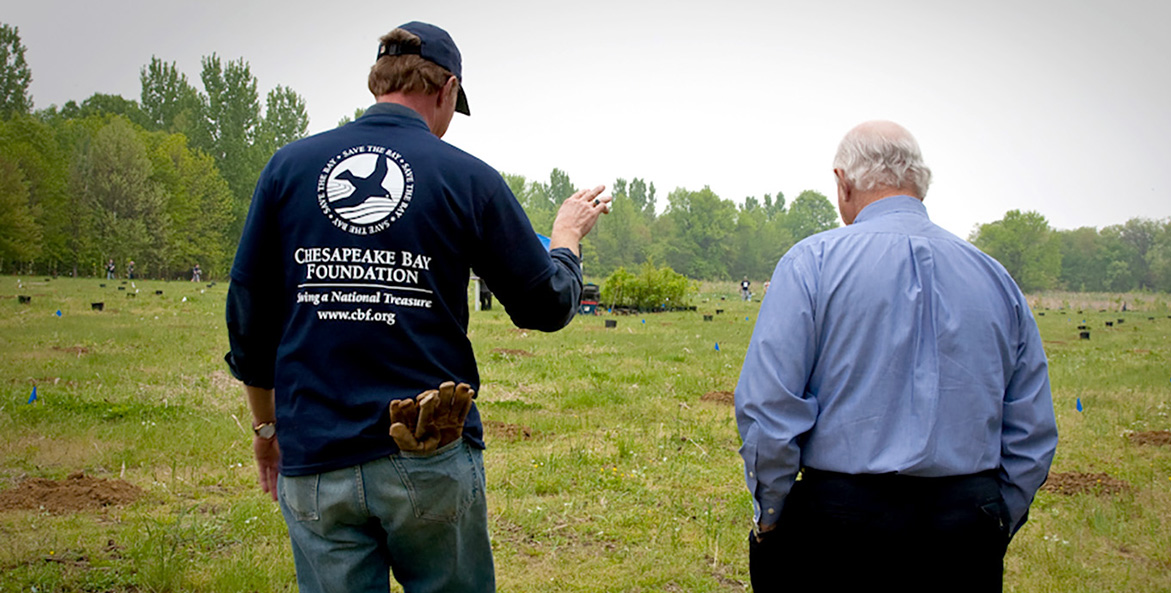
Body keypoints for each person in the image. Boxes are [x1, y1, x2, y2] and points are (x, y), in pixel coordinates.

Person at [224, 21, 610, 593]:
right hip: (428, 453)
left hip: (315, 456)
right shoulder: (466, 177)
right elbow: (545, 305)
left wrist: (266, 425)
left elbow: (249, 312)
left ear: (379, 80)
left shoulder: (289, 167)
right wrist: (566, 238)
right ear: (447, 89)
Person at [735, 121, 1057, 592]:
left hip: (839, 521)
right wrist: (996, 516)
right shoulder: (995, 278)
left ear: (843, 182)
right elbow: (1032, 428)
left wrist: (771, 513)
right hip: (965, 521)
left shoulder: (812, 263)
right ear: (918, 181)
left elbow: (769, 407)